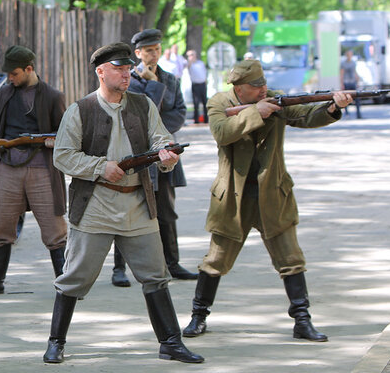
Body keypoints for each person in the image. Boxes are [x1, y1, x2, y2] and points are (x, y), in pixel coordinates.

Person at [42, 42, 203, 366]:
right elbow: (62, 156)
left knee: (156, 275)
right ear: (101, 71)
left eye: (128, 68)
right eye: (119, 68)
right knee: (74, 277)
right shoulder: (81, 109)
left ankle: (170, 343)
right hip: (96, 206)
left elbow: (160, 140)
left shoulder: (143, 105)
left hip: (138, 205)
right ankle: (55, 342)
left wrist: (167, 157)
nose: (126, 73)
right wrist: (101, 167)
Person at [181, 59, 353, 343]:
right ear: (238, 88)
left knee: (291, 259)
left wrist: (333, 107)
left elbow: (305, 115)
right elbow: (223, 133)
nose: (263, 90)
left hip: (272, 193)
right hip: (233, 198)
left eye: (263, 84)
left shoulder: (274, 98)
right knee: (215, 261)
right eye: (256, 86)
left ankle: (302, 320)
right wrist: (255, 113)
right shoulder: (219, 102)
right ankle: (198, 316)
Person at [0, 45, 67, 296]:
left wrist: (55, 141)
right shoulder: (5, 93)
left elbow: (66, 132)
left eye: (15, 73)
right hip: (8, 167)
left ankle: (66, 283)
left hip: (42, 168)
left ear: (29, 69)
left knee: (54, 230)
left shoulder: (53, 96)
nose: (10, 78)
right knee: (2, 225)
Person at [113, 29, 197, 287]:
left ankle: (172, 263)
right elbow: (138, 115)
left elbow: (179, 114)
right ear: (137, 53)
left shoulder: (171, 79)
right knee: (127, 212)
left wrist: (160, 130)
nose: (154, 54)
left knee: (167, 213)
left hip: (164, 152)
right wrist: (153, 84)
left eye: (157, 49)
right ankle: (119, 269)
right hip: (136, 154)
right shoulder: (130, 81)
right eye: (148, 50)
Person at [186, 49, 208, 124]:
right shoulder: (190, 64)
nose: (191, 56)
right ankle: (196, 120)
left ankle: (206, 119)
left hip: (202, 84)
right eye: (189, 55)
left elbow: (204, 72)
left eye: (192, 55)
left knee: (205, 102)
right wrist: (190, 60)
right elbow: (188, 66)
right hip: (195, 85)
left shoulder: (200, 63)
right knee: (196, 103)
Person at [339, 50, 362, 119]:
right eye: (348, 54)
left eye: (351, 54)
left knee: (357, 98)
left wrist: (357, 81)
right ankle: (347, 113)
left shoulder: (353, 63)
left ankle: (358, 114)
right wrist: (342, 83)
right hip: (346, 82)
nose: (350, 56)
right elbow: (342, 73)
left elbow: (355, 72)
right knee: (346, 99)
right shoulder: (343, 63)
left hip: (353, 82)